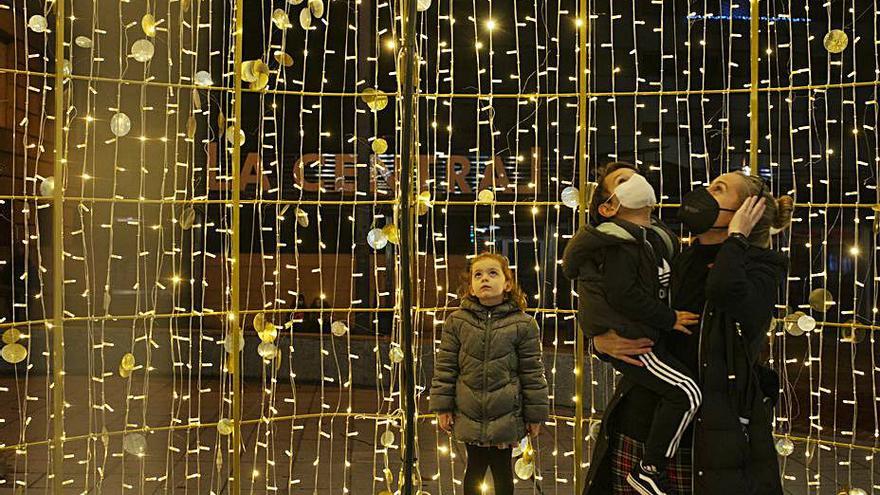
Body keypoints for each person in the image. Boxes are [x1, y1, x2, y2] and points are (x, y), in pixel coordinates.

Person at [584, 171, 793, 495]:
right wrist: (600, 342)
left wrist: (737, 238)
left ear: (745, 211)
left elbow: (725, 290)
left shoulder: (761, 269)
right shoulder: (680, 258)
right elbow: (630, 312)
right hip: (638, 423)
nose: (704, 194)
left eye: (718, 190)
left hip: (706, 443)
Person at [563, 162, 701, 495]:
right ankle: (650, 470)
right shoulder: (621, 244)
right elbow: (623, 295)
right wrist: (668, 319)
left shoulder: (658, 240)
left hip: (656, 343)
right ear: (608, 207)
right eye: (624, 181)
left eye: (637, 177)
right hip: (640, 341)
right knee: (686, 392)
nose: (636, 182)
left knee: (683, 392)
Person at [430, 252, 550, 495]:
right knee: (474, 468)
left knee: (502, 470)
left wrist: (534, 415)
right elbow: (446, 366)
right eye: (478, 274)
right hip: (469, 410)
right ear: (472, 288)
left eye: (492, 273)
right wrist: (443, 406)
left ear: (507, 284)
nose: (485, 278)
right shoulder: (457, 322)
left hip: (506, 413)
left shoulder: (523, 324)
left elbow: (532, 372)